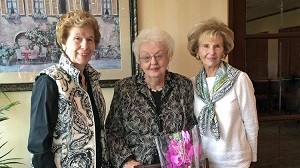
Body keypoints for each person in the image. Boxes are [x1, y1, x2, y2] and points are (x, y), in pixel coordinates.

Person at [27, 10, 110, 168]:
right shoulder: (48, 81)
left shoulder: (92, 79)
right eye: (77, 39)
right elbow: (39, 146)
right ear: (64, 41)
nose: (85, 46)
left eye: (90, 39)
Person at [105, 27, 197, 168]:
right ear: (139, 60)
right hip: (139, 166)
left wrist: (189, 156)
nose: (153, 62)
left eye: (159, 55)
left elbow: (192, 128)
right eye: (146, 57)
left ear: (169, 56)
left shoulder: (184, 85)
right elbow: (112, 132)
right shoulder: (125, 88)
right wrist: (126, 161)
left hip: (177, 165)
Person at [187, 17, 259, 168]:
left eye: (217, 46)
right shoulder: (192, 84)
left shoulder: (239, 79)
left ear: (224, 50)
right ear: (197, 51)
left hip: (236, 160)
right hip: (204, 159)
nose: (211, 52)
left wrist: (252, 157)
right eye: (205, 46)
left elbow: (251, 121)